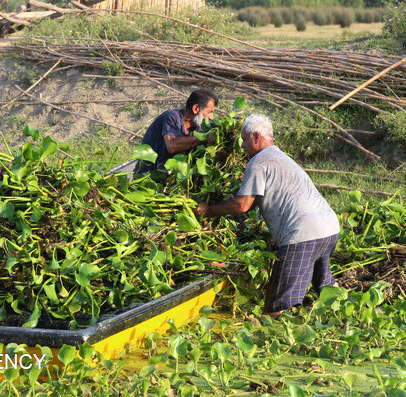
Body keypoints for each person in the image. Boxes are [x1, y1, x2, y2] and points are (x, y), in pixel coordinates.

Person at [193, 114, 340, 317]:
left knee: (276, 307)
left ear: (256, 137)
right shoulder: (281, 157)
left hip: (303, 234)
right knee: (327, 290)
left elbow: (242, 205)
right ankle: (350, 316)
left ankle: (278, 337)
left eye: (244, 139)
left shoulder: (258, 162)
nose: (242, 146)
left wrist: (208, 210)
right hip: (329, 228)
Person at [134, 89, 218, 174]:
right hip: (148, 175)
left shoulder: (198, 125)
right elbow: (171, 146)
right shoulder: (171, 117)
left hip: (169, 179)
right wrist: (203, 138)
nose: (211, 117)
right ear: (196, 109)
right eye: (209, 112)